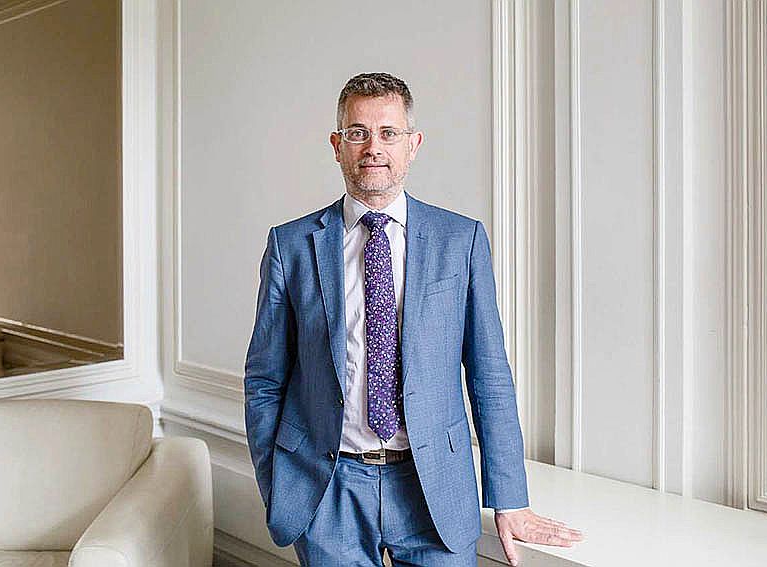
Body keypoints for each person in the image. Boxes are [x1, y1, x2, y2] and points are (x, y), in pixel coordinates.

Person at [244, 72, 582, 566]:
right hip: (328, 491)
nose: (373, 147)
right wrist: (277, 483)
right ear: (337, 146)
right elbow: (265, 379)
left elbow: (489, 374)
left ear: (413, 145)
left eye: (389, 133)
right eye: (358, 132)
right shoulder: (290, 245)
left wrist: (509, 497)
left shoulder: (461, 240)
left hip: (433, 488)